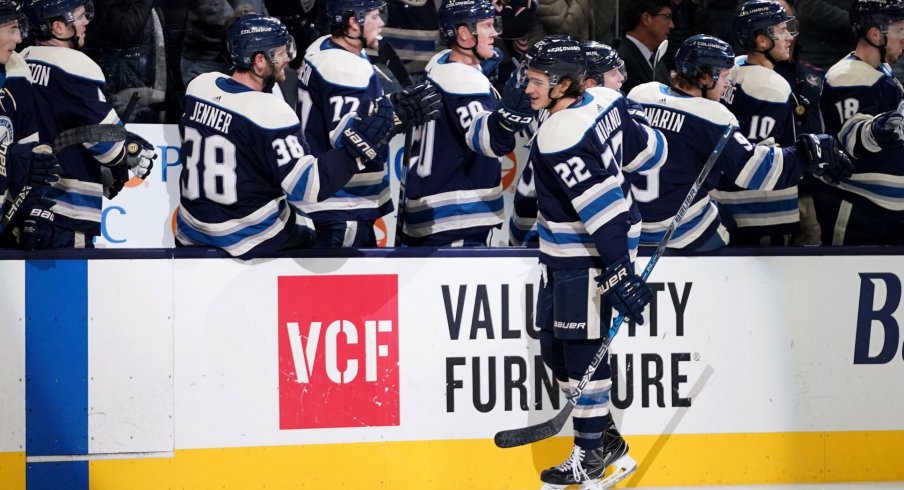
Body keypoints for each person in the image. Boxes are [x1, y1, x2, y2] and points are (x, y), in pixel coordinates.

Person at [524, 35, 666, 490]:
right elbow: (651, 153)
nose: (528, 89)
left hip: (590, 252)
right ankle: (604, 439)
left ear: (564, 83)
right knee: (552, 346)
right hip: (569, 249)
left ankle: (590, 455)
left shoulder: (560, 133)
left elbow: (600, 206)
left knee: (581, 350)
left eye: (536, 81)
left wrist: (617, 266)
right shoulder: (605, 99)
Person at [176, 14, 398, 259]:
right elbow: (309, 187)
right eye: (280, 52)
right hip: (246, 236)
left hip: (190, 229)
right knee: (316, 230)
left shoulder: (200, 87)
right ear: (259, 60)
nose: (288, 59)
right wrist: (356, 150)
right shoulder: (271, 111)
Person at [626, 34, 853, 251]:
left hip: (632, 225)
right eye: (724, 76)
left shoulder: (640, 94)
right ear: (704, 76)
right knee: (728, 222)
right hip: (681, 232)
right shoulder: (713, 115)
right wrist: (806, 153)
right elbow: (755, 170)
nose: (727, 85)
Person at [297, 0, 441, 247]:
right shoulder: (345, 69)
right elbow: (352, 140)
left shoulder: (321, 47)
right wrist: (396, 115)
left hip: (326, 203)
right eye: (375, 15)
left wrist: (389, 106)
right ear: (353, 22)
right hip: (343, 206)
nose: (382, 22)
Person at [19, 0, 156, 250]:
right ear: (58, 27)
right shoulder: (75, 66)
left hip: (20, 205)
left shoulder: (20, 63)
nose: (86, 22)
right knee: (68, 288)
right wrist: (129, 151)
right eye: (79, 17)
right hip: (65, 212)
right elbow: (110, 149)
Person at [397, 0, 532, 247]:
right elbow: (490, 142)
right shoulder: (467, 83)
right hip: (456, 216)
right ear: (463, 33)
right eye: (487, 26)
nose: (495, 33)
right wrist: (510, 115)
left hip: (429, 207)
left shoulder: (439, 64)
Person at [816, 0, 904, 245]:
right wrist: (875, 131)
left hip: (886, 212)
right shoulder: (849, 75)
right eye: (900, 31)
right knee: (841, 281)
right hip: (858, 209)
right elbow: (853, 135)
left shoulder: (881, 71)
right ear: (876, 33)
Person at [714, 0, 802, 246]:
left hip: (721, 202)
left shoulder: (733, 68)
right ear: (762, 40)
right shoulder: (770, 86)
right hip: (762, 213)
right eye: (781, 30)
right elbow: (758, 158)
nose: (789, 37)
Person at [0, 0, 60, 240]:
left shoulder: (16, 69)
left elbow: (29, 153)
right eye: (11, 30)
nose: (18, 40)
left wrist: (30, 209)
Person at [615, 0, 674, 95]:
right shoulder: (622, 61)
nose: (671, 25)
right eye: (667, 17)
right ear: (646, 18)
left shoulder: (655, 59)